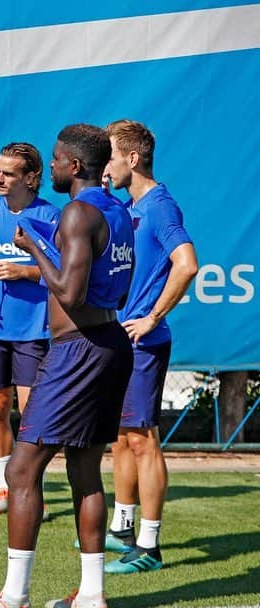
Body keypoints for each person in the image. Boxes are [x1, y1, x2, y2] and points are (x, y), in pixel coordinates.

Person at [0, 124, 134, 608]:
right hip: (109, 344)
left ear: (73, 166)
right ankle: (92, 596)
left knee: (21, 470)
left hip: (76, 349)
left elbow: (70, 293)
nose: (51, 167)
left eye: (55, 160)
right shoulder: (117, 209)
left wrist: (34, 247)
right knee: (83, 469)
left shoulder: (77, 212)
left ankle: (14, 598)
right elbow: (114, 287)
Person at [101, 119, 198, 574]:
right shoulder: (129, 206)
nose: (107, 166)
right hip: (119, 341)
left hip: (144, 344)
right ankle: (122, 528)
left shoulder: (160, 206)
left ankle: (150, 546)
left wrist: (153, 317)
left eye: (112, 156)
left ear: (132, 159)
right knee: (120, 437)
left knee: (142, 440)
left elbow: (187, 264)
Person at [0, 143, 58, 516]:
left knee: (32, 412)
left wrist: (27, 272)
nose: (0, 178)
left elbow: (66, 271)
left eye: (9, 173)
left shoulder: (52, 216)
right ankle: (5, 487)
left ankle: (33, 489)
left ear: (31, 177)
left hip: (34, 329)